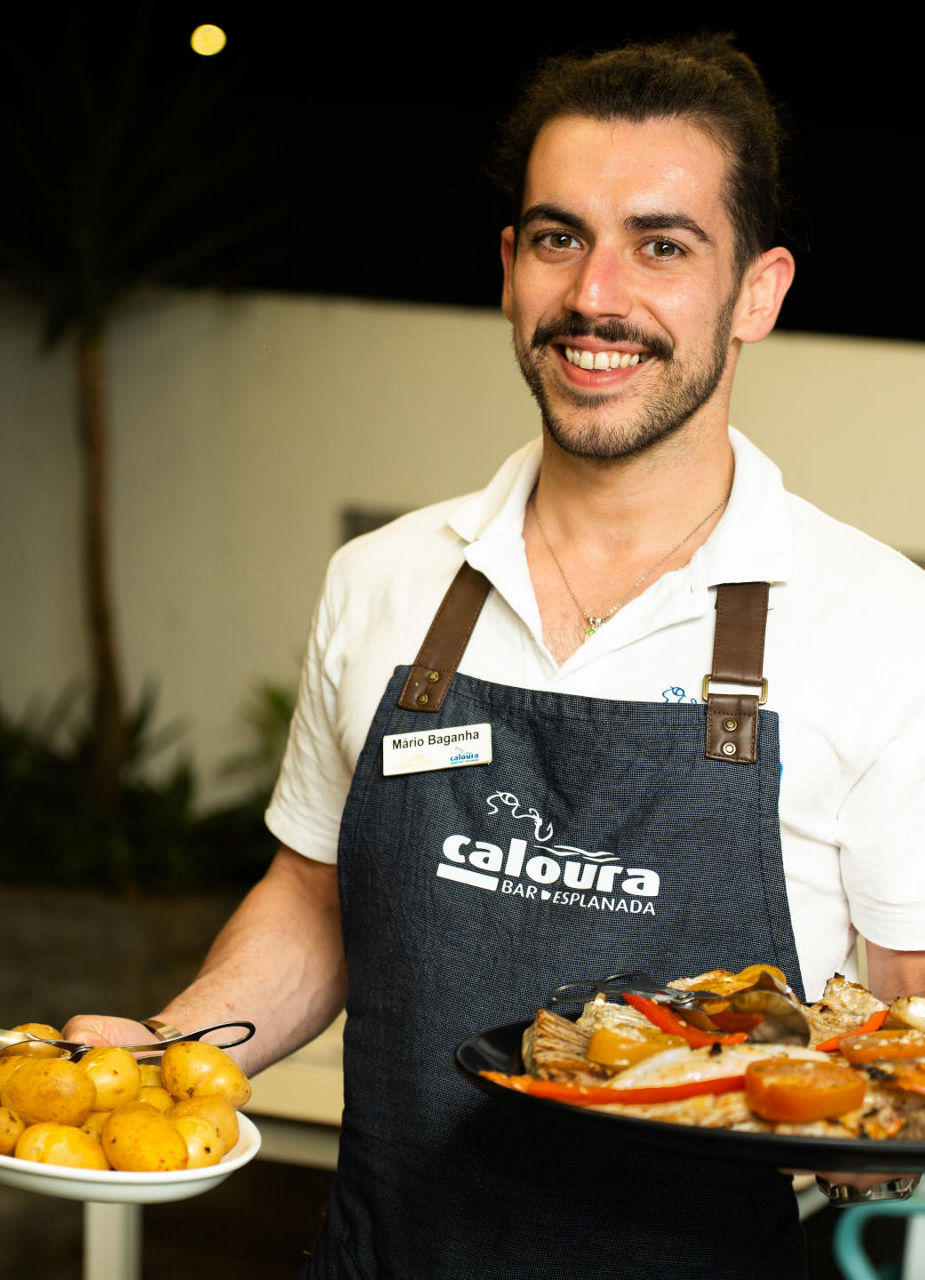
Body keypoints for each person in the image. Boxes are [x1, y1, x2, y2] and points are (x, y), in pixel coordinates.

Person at [67, 33, 925, 1279]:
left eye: (662, 243)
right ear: (510, 269)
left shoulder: (876, 619)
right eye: (557, 236)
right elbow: (315, 901)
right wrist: (169, 1052)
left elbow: (907, 999)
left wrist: (875, 1125)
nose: (597, 294)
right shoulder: (387, 580)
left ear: (758, 291)